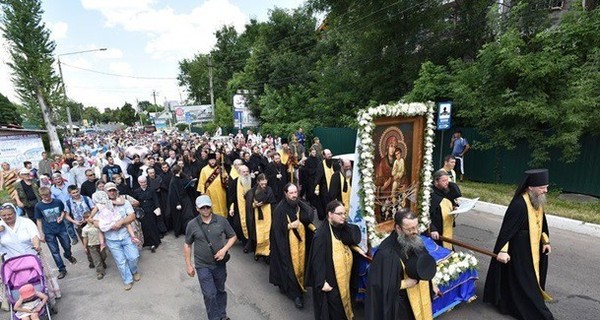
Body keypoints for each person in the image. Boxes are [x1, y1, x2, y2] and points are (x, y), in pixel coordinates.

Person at [483, 169, 554, 320]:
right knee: (524, 282)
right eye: (542, 187)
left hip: (534, 249)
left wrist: (545, 241)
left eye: (546, 187)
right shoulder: (519, 205)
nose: (545, 191)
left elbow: (541, 224)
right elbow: (506, 232)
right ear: (530, 187)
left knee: (530, 281)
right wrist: (502, 251)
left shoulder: (537, 201)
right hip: (519, 251)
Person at [365, 209, 439, 320]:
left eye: (416, 227)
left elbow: (424, 264)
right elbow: (378, 285)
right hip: (401, 305)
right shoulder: (386, 253)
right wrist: (404, 283)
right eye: (410, 229)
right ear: (398, 228)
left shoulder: (414, 240)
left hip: (420, 295)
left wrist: (432, 283)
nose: (415, 232)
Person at [184, 195, 237, 320]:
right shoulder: (192, 225)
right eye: (203, 208)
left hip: (219, 264)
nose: (206, 210)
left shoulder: (221, 220)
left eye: (208, 207)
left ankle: (222, 315)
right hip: (202, 265)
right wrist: (188, 265)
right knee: (209, 294)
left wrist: (224, 250)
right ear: (197, 209)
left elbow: (232, 236)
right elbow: (187, 245)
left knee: (220, 290)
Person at [305, 200, 361, 320]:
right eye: (340, 214)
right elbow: (317, 261)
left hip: (343, 279)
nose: (343, 217)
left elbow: (352, 235)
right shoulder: (321, 235)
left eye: (344, 214)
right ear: (330, 215)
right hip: (330, 282)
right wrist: (321, 282)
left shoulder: (339, 227)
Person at [0, 203, 60, 310]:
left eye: (9, 214)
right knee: (14, 283)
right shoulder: (1, 226)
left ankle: (45, 297)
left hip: (30, 256)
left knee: (38, 278)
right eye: (3, 216)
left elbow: (34, 235)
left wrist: (36, 245)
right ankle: (17, 301)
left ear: (15, 212)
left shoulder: (25, 222)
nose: (7, 217)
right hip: (11, 261)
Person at [269, 183, 316, 309]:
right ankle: (296, 295)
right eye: (291, 193)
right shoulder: (280, 209)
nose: (294, 195)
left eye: (296, 192)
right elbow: (276, 230)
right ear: (285, 194)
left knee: (302, 264)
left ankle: (301, 284)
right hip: (287, 245)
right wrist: (290, 226)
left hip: (301, 243)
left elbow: (307, 217)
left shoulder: (298, 204)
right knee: (290, 268)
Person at [93, 187, 141, 291]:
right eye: (109, 191)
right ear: (105, 193)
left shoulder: (124, 202)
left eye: (113, 190)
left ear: (117, 191)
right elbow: (94, 222)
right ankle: (127, 280)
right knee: (121, 261)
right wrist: (108, 225)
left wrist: (120, 222)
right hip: (111, 239)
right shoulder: (101, 205)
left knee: (133, 256)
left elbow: (132, 216)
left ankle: (134, 271)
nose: (112, 192)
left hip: (126, 235)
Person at [34, 187, 77, 280]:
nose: (46, 197)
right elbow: (39, 220)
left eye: (48, 195)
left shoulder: (57, 202)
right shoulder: (38, 206)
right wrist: (41, 233)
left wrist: (61, 217)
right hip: (49, 231)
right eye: (44, 196)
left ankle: (68, 255)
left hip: (61, 228)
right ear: (41, 196)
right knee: (55, 252)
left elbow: (63, 211)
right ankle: (62, 269)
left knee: (67, 245)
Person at [245, 174, 276, 263]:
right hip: (256, 215)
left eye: (265, 184)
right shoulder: (251, 192)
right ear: (258, 182)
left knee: (266, 233)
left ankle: (266, 254)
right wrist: (254, 205)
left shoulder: (269, 190)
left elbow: (272, 202)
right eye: (262, 184)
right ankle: (257, 253)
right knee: (257, 234)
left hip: (267, 214)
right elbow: (248, 202)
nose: (264, 186)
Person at [429, 169, 461, 250]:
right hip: (436, 232)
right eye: (444, 181)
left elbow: (450, 199)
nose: (447, 183)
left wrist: (454, 207)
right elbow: (426, 214)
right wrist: (432, 229)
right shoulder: (431, 195)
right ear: (436, 182)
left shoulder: (445, 191)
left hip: (446, 228)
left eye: (447, 180)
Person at [64, 185, 95, 267]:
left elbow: (93, 209)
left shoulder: (86, 199)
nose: (76, 194)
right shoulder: (68, 203)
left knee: (95, 241)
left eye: (76, 192)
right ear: (70, 193)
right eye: (73, 193)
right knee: (86, 243)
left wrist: (90, 218)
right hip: (79, 226)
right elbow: (66, 215)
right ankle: (91, 260)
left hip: (90, 223)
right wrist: (74, 222)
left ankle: (100, 259)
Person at [132, 176, 161, 252]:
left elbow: (155, 199)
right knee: (145, 227)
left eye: (144, 182)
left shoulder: (151, 190)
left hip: (151, 210)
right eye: (141, 182)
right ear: (139, 183)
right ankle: (147, 243)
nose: (143, 184)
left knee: (152, 226)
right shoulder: (136, 191)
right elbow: (135, 202)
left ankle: (155, 242)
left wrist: (158, 207)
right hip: (142, 212)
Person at [226, 165, 252, 251]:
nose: (245, 173)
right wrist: (231, 208)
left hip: (251, 208)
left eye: (247, 171)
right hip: (238, 207)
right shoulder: (235, 182)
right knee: (239, 225)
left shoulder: (252, 180)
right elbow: (231, 197)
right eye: (243, 172)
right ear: (239, 173)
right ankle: (245, 243)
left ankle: (250, 243)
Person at [168, 165, 196, 237]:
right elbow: (174, 194)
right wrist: (178, 203)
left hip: (183, 200)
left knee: (186, 216)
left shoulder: (175, 179)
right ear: (179, 170)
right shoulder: (174, 181)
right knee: (186, 216)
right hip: (181, 201)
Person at [197, 152, 228, 218]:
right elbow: (201, 182)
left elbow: (226, 179)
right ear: (208, 161)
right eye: (211, 160)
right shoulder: (204, 170)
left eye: (213, 160)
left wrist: (224, 177)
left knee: (222, 207)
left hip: (220, 192)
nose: (212, 162)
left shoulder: (220, 168)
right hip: (209, 193)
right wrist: (202, 192)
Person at [81, 211, 107, 280]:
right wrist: (85, 247)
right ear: (85, 220)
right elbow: (85, 238)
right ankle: (100, 272)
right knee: (96, 259)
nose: (89, 219)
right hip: (92, 246)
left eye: (90, 217)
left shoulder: (98, 225)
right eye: (86, 218)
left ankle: (102, 262)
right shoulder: (85, 229)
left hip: (101, 244)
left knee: (104, 255)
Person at [314, 149, 339, 220]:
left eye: (330, 154)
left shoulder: (334, 163)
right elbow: (318, 178)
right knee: (326, 205)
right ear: (324, 156)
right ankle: (328, 219)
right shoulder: (321, 165)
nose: (330, 155)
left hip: (335, 188)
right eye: (328, 154)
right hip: (325, 189)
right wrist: (317, 188)